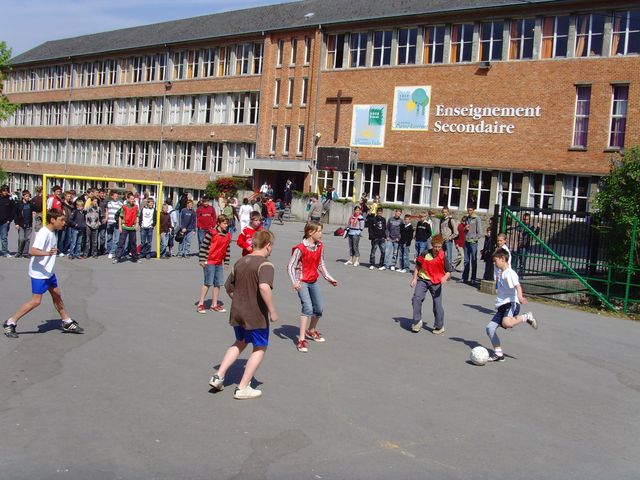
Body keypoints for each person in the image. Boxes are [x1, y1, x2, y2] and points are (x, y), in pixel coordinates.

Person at [208, 229, 278, 399]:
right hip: (255, 315)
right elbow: (264, 287)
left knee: (240, 342)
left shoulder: (240, 262)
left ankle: (219, 375)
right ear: (268, 246)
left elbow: (228, 287)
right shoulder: (265, 264)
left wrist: (238, 299)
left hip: (238, 312)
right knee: (260, 347)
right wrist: (272, 310)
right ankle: (243, 387)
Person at [3, 209, 84, 339]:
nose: (64, 223)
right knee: (36, 301)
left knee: (57, 294)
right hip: (39, 273)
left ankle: (66, 321)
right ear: (53, 220)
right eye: (61, 220)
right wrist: (48, 253)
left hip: (48, 272)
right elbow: (32, 251)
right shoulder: (44, 233)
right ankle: (10, 322)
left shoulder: (51, 232)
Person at [287, 221, 338, 353]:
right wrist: (295, 281)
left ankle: (311, 330)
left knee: (319, 308)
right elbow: (291, 266)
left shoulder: (320, 246)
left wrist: (329, 278)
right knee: (307, 308)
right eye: (319, 231)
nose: (321, 233)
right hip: (302, 281)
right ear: (310, 232)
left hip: (313, 280)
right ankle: (301, 340)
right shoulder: (300, 248)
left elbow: (321, 264)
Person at [484, 248, 538, 362]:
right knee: (489, 328)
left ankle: (526, 316)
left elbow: (517, 286)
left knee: (506, 323)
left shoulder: (510, 273)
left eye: (496, 260)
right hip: (502, 306)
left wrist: (520, 297)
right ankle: (499, 354)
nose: (494, 263)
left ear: (503, 259)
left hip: (511, 303)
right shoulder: (502, 272)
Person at [410, 234, 453, 335]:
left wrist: (445, 277)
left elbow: (449, 271)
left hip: (436, 282)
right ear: (432, 245)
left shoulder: (443, 256)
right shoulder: (425, 253)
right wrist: (414, 279)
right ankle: (417, 322)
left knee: (437, 305)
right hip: (423, 279)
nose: (437, 249)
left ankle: (439, 326)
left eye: (439, 247)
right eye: (435, 246)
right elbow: (417, 267)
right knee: (416, 298)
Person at [197, 214, 232, 314]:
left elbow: (227, 249)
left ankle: (214, 304)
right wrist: (202, 260)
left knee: (218, 284)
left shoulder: (227, 235)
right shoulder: (211, 233)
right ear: (219, 223)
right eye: (224, 223)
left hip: (219, 262)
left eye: (227, 224)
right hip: (209, 261)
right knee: (208, 283)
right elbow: (204, 246)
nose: (226, 225)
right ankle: (200, 304)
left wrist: (226, 262)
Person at [113, 192, 140, 264]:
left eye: (133, 199)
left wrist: (137, 224)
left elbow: (137, 216)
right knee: (121, 243)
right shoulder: (124, 207)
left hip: (132, 227)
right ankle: (117, 257)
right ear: (127, 199)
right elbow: (120, 217)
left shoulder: (136, 207)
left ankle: (135, 258)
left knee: (133, 243)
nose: (132, 200)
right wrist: (119, 227)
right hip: (124, 226)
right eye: (131, 199)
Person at [462, 206, 482, 284]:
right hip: (466, 241)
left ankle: (473, 278)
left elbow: (480, 232)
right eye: (468, 210)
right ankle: (465, 277)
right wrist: (465, 229)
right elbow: (464, 230)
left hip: (473, 242)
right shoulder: (467, 218)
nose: (469, 212)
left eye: (471, 210)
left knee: (473, 260)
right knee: (466, 260)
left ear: (473, 210)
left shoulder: (477, 218)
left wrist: (475, 239)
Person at [14, 190, 33, 258]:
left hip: (28, 224)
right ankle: (19, 252)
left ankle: (25, 253)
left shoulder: (30, 204)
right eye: (26, 196)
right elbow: (15, 214)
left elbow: (34, 209)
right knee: (21, 239)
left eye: (29, 196)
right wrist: (16, 223)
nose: (28, 197)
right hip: (21, 224)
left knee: (27, 239)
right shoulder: (19, 204)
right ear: (23, 196)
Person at [105, 191, 122, 259]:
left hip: (116, 223)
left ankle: (112, 252)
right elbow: (107, 212)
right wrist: (106, 219)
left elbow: (121, 214)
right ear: (112, 196)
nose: (116, 197)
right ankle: (109, 250)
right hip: (109, 222)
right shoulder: (108, 203)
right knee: (109, 238)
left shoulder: (120, 204)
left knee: (116, 239)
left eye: (117, 196)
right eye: (115, 196)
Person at [0, 185, 15, 257]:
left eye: (6, 190)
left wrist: (9, 220)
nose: (5, 192)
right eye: (4, 190)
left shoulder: (10, 199)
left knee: (4, 238)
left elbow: (13, 210)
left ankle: (5, 252)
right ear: (1, 191)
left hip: (5, 222)